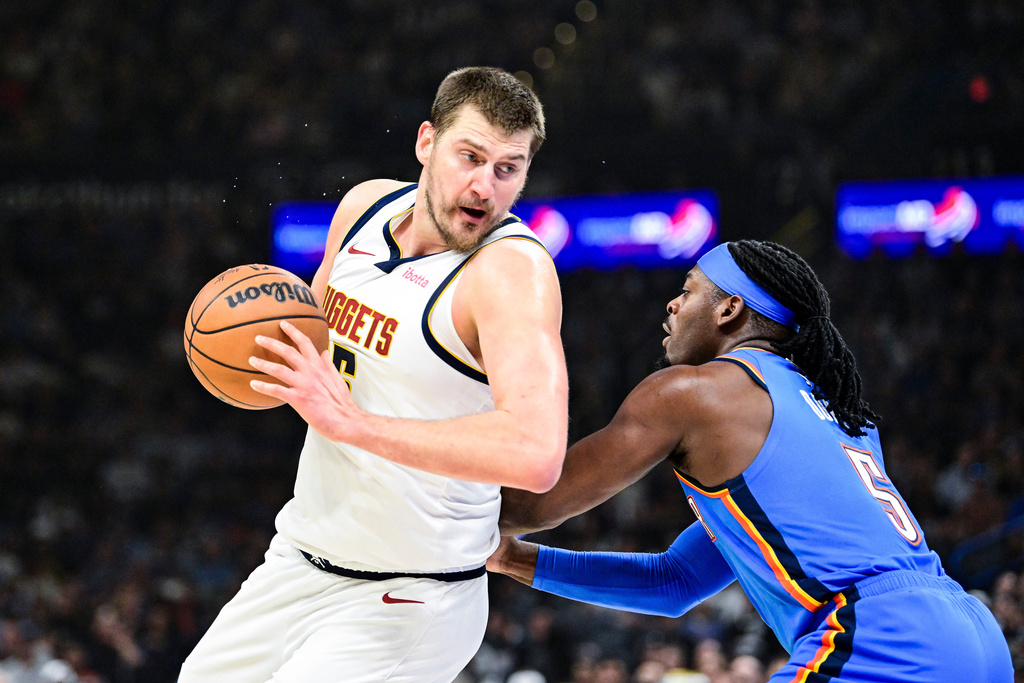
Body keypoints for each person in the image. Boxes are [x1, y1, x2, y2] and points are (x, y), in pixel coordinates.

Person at [178, 66, 568, 682]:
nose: (485, 186)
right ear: (426, 143)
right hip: (301, 559)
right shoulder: (363, 208)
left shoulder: (509, 274)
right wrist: (246, 356)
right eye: (470, 156)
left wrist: (352, 423)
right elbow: (306, 347)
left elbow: (536, 452)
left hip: (414, 596)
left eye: (507, 168)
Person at [488, 240, 1013, 682]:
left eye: (688, 290)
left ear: (729, 310)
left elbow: (533, 503)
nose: (671, 305)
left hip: (882, 637)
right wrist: (513, 559)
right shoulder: (838, 411)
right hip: (973, 633)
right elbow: (675, 582)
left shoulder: (693, 393)